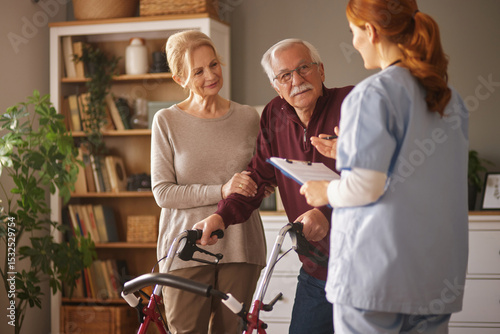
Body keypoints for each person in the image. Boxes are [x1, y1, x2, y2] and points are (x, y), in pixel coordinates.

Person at [299, 1, 469, 333]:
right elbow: (420, 171)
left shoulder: (372, 95)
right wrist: (348, 150)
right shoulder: (451, 99)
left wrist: (324, 191)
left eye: (353, 32)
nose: (353, 42)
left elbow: (365, 187)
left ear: (371, 31)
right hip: (434, 281)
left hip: (376, 284)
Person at [194, 38, 354, 333]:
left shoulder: (352, 104)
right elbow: (257, 177)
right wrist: (221, 216)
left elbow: (379, 177)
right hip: (316, 270)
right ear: (276, 86)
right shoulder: (274, 114)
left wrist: (328, 214)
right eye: (285, 76)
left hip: (364, 268)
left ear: (321, 70)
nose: (297, 80)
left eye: (304, 68)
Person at [151, 30, 266, 334]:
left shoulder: (247, 117)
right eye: (198, 71)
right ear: (180, 79)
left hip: (241, 246)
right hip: (186, 248)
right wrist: (222, 190)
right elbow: (163, 192)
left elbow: (260, 177)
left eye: (214, 64)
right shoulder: (166, 121)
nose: (211, 75)